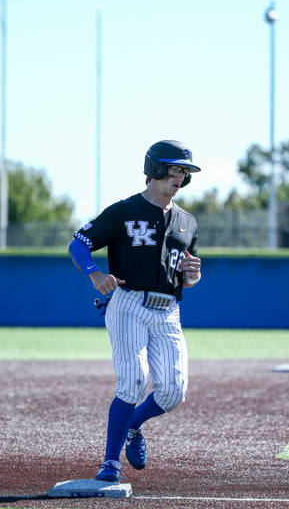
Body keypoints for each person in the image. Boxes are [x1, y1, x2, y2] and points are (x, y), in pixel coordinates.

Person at [68, 139, 201, 483]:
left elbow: (185, 280)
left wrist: (192, 276)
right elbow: (78, 243)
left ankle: (134, 424)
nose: (180, 177)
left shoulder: (188, 222)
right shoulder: (124, 210)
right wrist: (94, 274)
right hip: (127, 304)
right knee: (134, 379)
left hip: (168, 310)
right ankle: (110, 463)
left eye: (184, 171)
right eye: (175, 169)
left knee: (173, 390)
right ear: (155, 168)